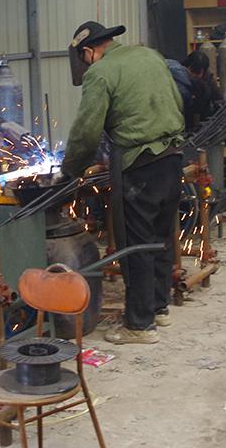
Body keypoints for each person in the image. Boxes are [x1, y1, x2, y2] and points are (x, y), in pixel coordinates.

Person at [62, 21, 184, 344]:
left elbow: (87, 131)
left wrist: (70, 170)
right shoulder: (149, 56)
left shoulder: (99, 73)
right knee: (160, 237)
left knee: (137, 244)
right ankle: (158, 307)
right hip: (172, 157)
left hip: (139, 166)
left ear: (88, 52)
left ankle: (139, 325)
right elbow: (177, 100)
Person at [181, 50, 222, 129]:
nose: (193, 75)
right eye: (192, 71)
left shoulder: (208, 80)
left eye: (197, 73)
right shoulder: (178, 75)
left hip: (202, 115)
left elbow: (218, 100)